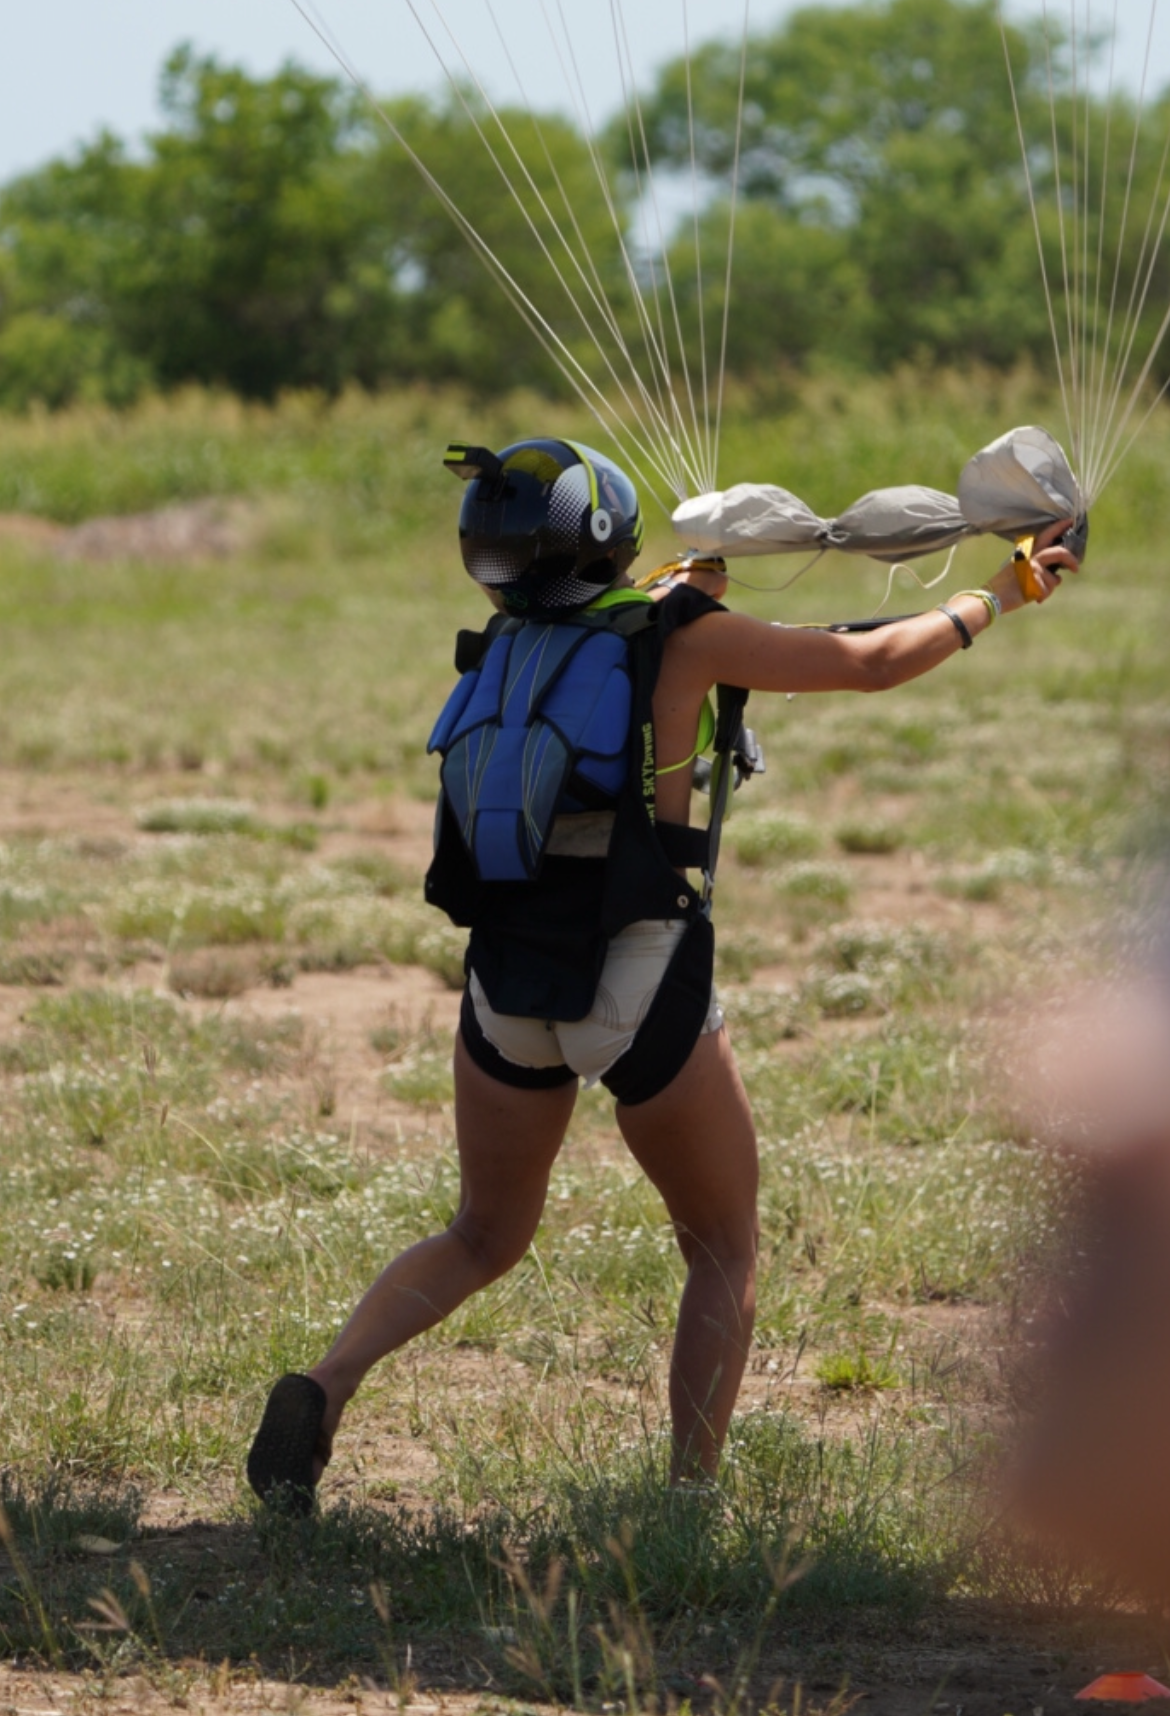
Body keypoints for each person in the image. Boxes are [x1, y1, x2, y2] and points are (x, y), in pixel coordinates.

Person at [247, 434, 1078, 1510]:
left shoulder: (511, 639)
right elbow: (870, 661)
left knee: (483, 1232)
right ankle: (688, 1503)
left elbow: (649, 642)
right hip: (638, 977)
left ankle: (324, 1385)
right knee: (722, 1245)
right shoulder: (678, 632)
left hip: (506, 984)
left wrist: (683, 598)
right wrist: (1005, 591)